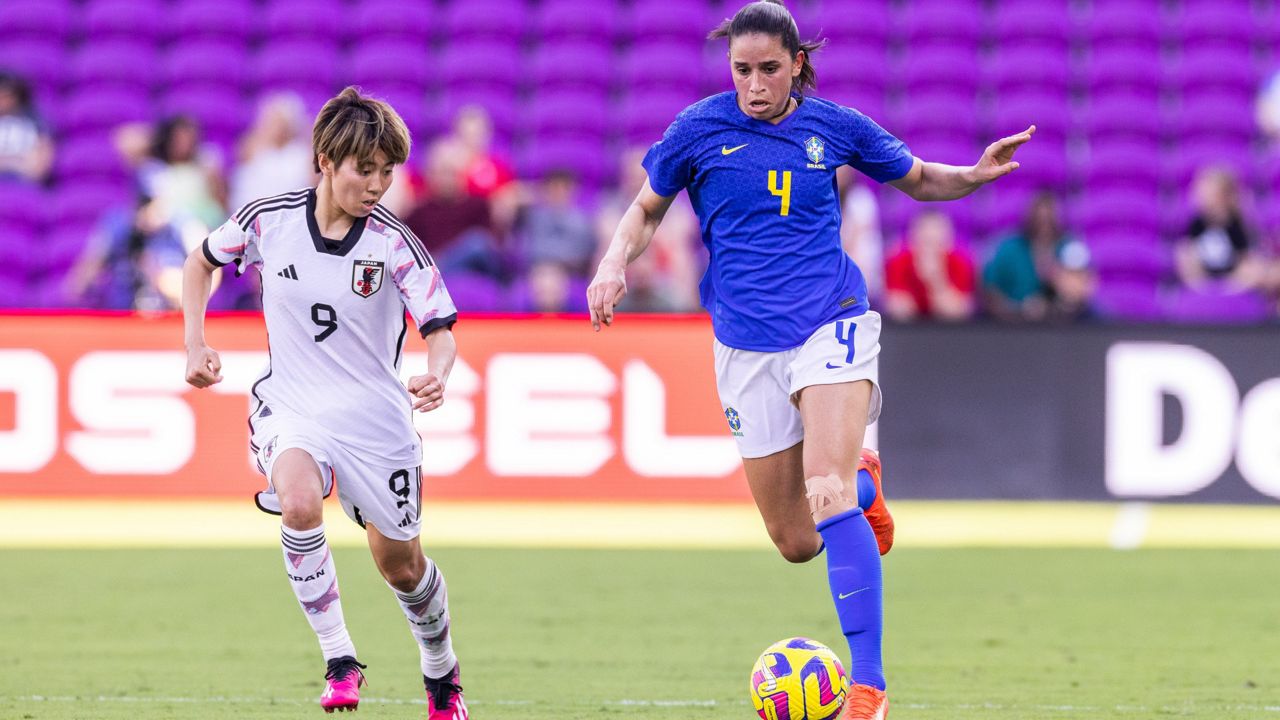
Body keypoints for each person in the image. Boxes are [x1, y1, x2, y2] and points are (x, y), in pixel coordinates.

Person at [586, 3, 1032, 718]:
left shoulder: (834, 126)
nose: (754, 85)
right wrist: (612, 265)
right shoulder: (698, 129)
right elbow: (644, 210)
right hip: (744, 347)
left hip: (832, 325)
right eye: (741, 70)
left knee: (822, 487)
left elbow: (918, 178)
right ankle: (866, 485)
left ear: (797, 63)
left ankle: (869, 686)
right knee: (797, 539)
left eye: (768, 69)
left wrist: (973, 175)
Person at [180, 87, 468, 719]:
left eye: (388, 171)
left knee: (402, 568)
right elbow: (198, 263)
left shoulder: (394, 244)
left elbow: (440, 330)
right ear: (326, 160)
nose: (378, 184)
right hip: (293, 404)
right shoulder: (267, 220)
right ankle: (340, 660)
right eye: (365, 169)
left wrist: (438, 375)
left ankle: (441, 672)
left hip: (376, 419)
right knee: (301, 500)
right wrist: (195, 343)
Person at [595, 146, 701, 312]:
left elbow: (679, 247)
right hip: (624, 282)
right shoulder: (611, 210)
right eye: (632, 177)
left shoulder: (676, 211)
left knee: (681, 256)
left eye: (641, 178)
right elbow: (609, 244)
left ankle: (689, 313)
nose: (636, 183)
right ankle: (599, 306)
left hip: (663, 281)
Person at [982, 192, 1095, 321]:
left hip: (1061, 323)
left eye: (1048, 218)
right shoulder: (1009, 249)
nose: (1044, 223)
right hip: (1012, 324)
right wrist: (1015, 311)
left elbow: (1085, 286)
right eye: (1040, 218)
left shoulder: (1070, 248)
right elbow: (990, 289)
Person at [1174, 166, 1266, 292]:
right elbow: (1187, 253)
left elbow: (1246, 256)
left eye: (1211, 194)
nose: (1204, 198)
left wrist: (1235, 281)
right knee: (1184, 252)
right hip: (1202, 280)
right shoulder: (1195, 225)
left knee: (1254, 266)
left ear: (1227, 196)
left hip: (1234, 281)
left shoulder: (1239, 226)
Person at [229, 92, 316, 211]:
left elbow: (313, 187)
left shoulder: (303, 153)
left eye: (278, 121)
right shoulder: (253, 147)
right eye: (270, 120)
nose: (273, 126)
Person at [883, 210, 975, 322]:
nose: (930, 250)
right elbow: (898, 310)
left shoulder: (960, 260)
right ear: (913, 238)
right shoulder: (898, 259)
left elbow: (957, 312)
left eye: (936, 242)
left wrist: (935, 281)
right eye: (926, 242)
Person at [0, 71, 53, 184]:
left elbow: (41, 163)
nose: (3, 101)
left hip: (25, 183)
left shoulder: (35, 124)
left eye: (7, 96)